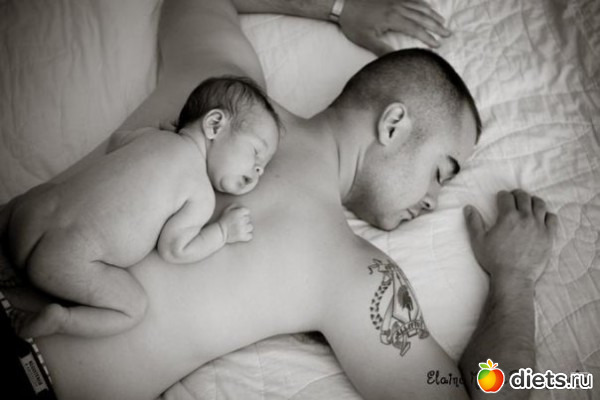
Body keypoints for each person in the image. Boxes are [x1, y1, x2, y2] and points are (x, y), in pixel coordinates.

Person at [0, 0, 556, 399]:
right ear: (393, 125)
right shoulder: (356, 276)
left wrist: (339, 8)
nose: (433, 200)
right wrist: (514, 278)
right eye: (440, 172)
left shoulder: (218, 86)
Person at [2, 76, 281, 339]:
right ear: (215, 124)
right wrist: (222, 232)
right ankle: (61, 319)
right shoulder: (199, 194)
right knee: (133, 307)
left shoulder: (150, 136)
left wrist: (155, 132)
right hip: (69, 260)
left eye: (263, 167)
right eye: (256, 153)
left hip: (30, 215)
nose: (258, 170)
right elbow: (176, 250)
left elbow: (115, 142)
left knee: (38, 195)